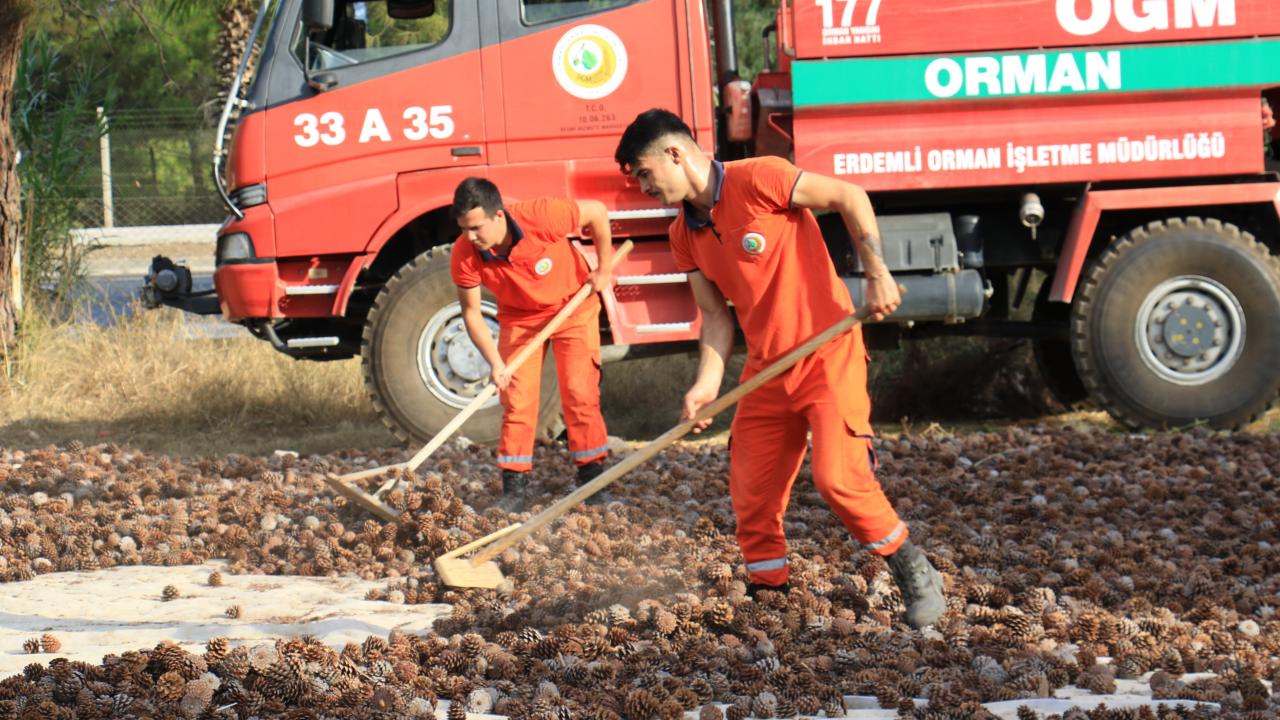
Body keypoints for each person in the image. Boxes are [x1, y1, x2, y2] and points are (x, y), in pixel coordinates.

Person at [614, 109, 946, 628]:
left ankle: (914, 569)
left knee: (839, 479)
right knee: (752, 489)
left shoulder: (760, 177)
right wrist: (705, 384)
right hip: (768, 370)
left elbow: (849, 196)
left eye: (644, 173)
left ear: (674, 154)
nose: (643, 187)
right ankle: (771, 592)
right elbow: (717, 319)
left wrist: (876, 271)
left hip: (826, 354)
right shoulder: (685, 235)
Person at [450, 178, 614, 512]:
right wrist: (496, 363)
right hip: (519, 318)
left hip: (573, 307)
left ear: (499, 216)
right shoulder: (464, 252)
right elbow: (471, 313)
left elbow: (597, 212)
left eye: (477, 228)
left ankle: (592, 479)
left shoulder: (542, 215)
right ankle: (514, 485)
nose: (471, 237)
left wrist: (604, 268)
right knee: (517, 399)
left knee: (579, 394)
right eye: (464, 229)